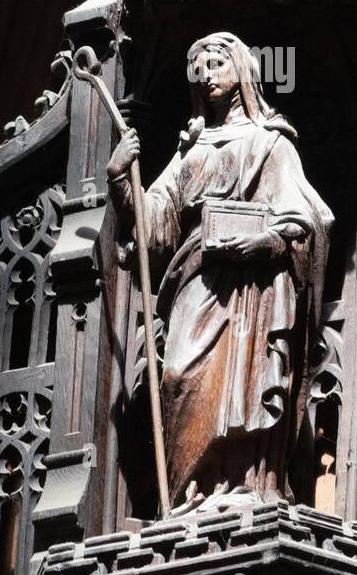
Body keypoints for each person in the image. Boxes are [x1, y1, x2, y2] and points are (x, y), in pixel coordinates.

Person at [107, 32, 333, 508]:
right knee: (179, 376)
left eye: (217, 62)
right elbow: (154, 226)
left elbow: (308, 219)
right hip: (196, 277)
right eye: (200, 66)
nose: (207, 72)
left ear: (244, 71)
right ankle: (192, 491)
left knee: (247, 384)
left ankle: (246, 485)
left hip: (253, 290)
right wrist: (120, 180)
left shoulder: (269, 143)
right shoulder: (191, 150)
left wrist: (264, 242)